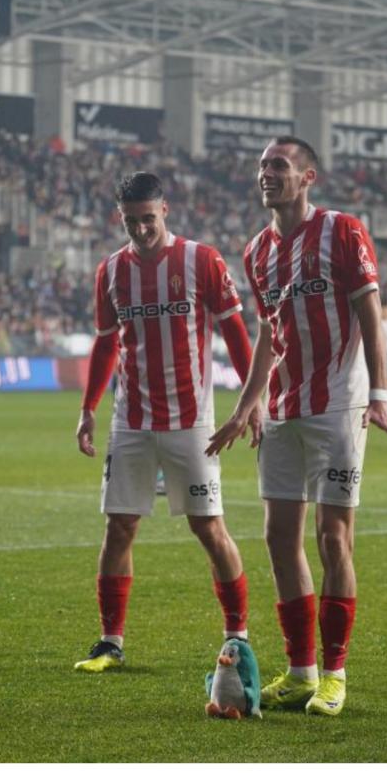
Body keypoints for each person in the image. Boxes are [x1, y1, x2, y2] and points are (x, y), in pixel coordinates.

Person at [207, 136, 387, 716]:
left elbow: (370, 310)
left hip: (339, 406)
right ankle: (301, 671)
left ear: (307, 177)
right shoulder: (255, 252)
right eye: (262, 165)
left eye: (279, 165)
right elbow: (272, 333)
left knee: (333, 538)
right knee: (278, 538)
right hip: (281, 409)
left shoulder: (343, 230)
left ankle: (336, 674)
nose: (267, 173)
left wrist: (379, 392)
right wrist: (248, 402)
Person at [74, 172, 256, 673]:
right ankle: (110, 640)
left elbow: (236, 333)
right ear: (120, 217)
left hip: (192, 423)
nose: (141, 230)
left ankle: (237, 635)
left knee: (208, 527)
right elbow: (107, 342)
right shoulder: (111, 271)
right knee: (119, 528)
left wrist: (251, 398)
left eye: (148, 219)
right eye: (131, 221)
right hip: (130, 421)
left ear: (165, 211)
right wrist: (89, 408)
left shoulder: (202, 260)